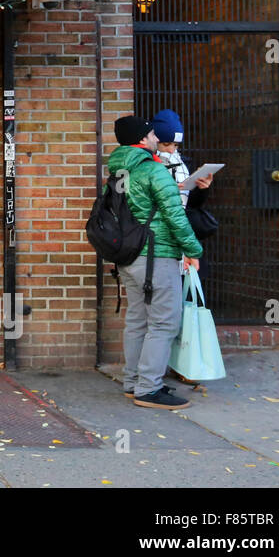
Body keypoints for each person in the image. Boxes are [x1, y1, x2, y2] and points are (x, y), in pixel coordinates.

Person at [109, 114, 205, 410]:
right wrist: (192, 250)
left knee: (137, 320)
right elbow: (175, 215)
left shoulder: (118, 170)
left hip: (128, 256)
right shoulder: (153, 170)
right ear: (142, 139)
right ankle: (148, 389)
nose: (155, 137)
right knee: (164, 322)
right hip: (157, 255)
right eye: (151, 134)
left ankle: (132, 381)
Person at [151, 108, 214, 209]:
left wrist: (202, 188)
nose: (172, 150)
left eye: (176, 145)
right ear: (154, 141)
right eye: (166, 144)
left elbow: (193, 204)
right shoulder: (145, 164)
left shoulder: (185, 163)